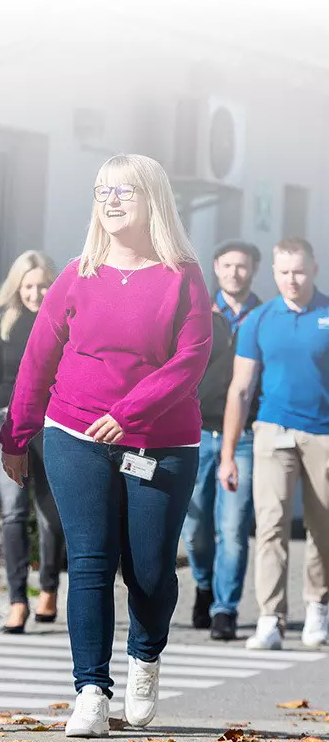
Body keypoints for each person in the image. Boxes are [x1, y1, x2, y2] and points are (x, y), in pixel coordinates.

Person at [0, 154, 212, 737]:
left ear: (153, 199)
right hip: (74, 435)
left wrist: (130, 413)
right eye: (102, 191)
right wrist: (17, 433)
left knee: (148, 573)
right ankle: (90, 690)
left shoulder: (183, 275)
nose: (111, 200)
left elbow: (191, 361)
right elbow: (38, 359)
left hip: (161, 443)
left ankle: (145, 655)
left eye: (124, 190)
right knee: (89, 564)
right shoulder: (77, 273)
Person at [220, 237, 329, 651]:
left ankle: (318, 608)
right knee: (271, 525)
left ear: (314, 268)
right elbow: (240, 389)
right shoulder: (260, 319)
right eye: (283, 272)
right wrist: (229, 454)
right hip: (272, 430)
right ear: (274, 273)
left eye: (298, 271)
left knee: (323, 527)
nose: (291, 280)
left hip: (323, 432)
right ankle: (271, 618)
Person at [0, 250, 66, 633]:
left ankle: (49, 587)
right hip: (7, 423)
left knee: (52, 515)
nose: (36, 293)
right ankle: (18, 600)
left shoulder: (64, 322)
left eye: (43, 285)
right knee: (13, 513)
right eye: (28, 286)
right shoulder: (5, 324)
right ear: (17, 288)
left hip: (52, 425)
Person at [182, 240, 262, 640]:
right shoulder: (197, 312)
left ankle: (224, 609)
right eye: (227, 265)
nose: (234, 272)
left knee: (231, 527)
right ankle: (202, 584)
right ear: (215, 268)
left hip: (245, 437)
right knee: (194, 526)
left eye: (242, 266)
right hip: (194, 432)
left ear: (254, 270)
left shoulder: (263, 316)